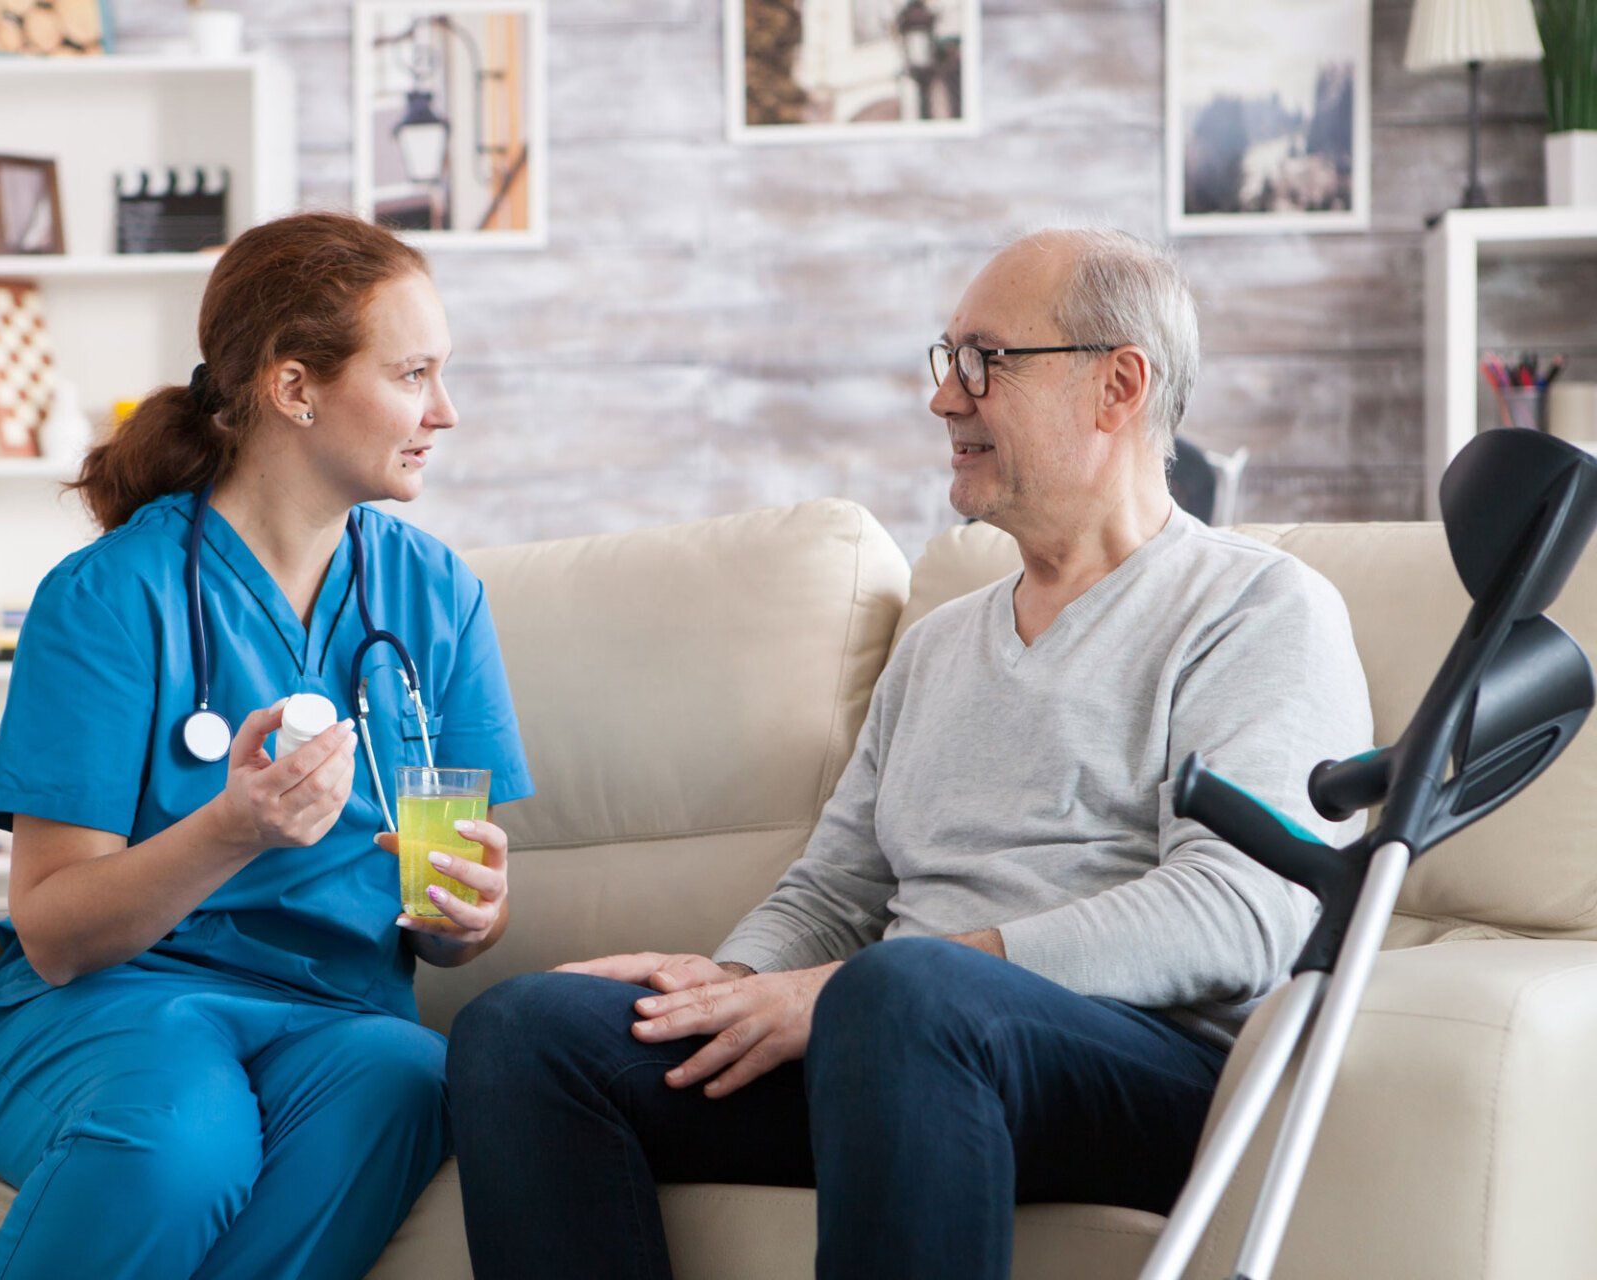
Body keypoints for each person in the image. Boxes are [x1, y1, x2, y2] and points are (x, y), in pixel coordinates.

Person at [445, 226, 1372, 1279]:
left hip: (1140, 1067)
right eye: (947, 360)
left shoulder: (1257, 606)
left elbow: (1241, 911)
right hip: (892, 1048)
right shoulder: (939, 646)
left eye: (986, 360)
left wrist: (863, 985)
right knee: (526, 1031)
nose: (945, 398)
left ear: (1118, 384)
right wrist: (734, 981)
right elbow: (838, 888)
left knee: (904, 991)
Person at [0, 212, 533, 1280]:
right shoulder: (110, 597)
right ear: (294, 385)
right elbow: (54, 930)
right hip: (111, 1005)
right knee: (181, 1141)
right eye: (412, 374)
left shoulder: (435, 593)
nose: (444, 412)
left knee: (411, 1076)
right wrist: (231, 829)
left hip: (339, 1015)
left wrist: (470, 915)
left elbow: (447, 920)